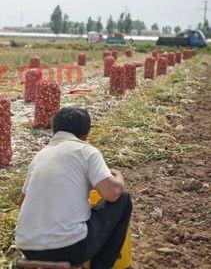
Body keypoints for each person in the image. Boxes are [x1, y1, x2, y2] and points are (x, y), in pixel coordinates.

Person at [16, 107, 132, 269]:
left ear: (54, 131)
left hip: (28, 247)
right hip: (70, 247)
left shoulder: (40, 156)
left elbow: (22, 203)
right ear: (86, 134)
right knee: (123, 199)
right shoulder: (87, 151)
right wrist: (118, 178)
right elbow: (111, 193)